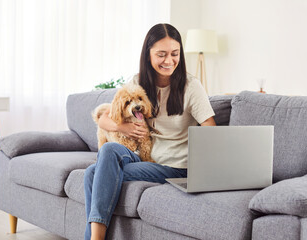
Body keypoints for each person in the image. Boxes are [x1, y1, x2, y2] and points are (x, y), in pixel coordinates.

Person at [84, 23, 216, 240]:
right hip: (145, 160)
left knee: (93, 173)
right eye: (161, 54)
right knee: (107, 151)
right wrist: (122, 126)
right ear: (148, 55)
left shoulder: (191, 86)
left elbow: (211, 131)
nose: (169, 61)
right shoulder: (138, 82)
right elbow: (105, 119)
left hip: (176, 167)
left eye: (174, 54)